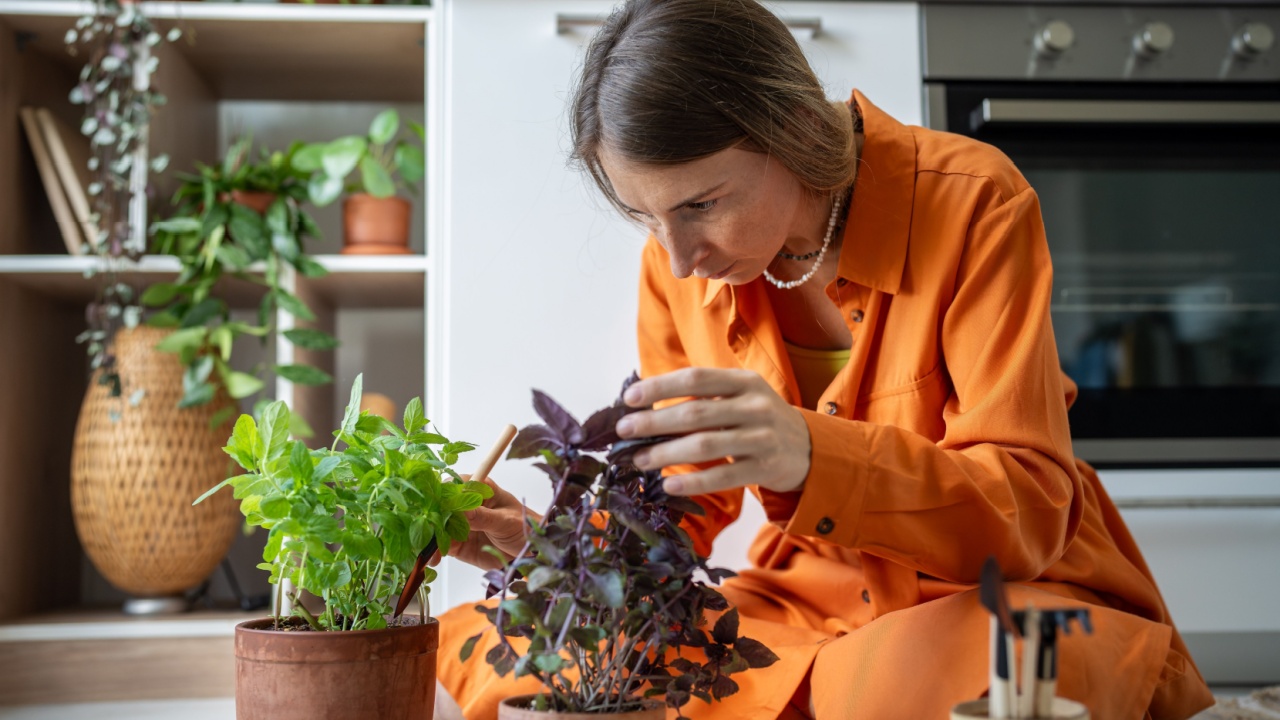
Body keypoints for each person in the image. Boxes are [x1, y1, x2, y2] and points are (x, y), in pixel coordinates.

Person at [432, 1, 1215, 718]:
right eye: (647, 217)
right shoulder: (673, 269)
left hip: (997, 592)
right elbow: (680, 505)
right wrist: (550, 551)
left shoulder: (977, 200)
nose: (678, 260)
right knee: (491, 639)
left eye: (701, 204)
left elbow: (1029, 508)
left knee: (930, 675)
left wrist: (811, 453)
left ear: (796, 127)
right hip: (800, 603)